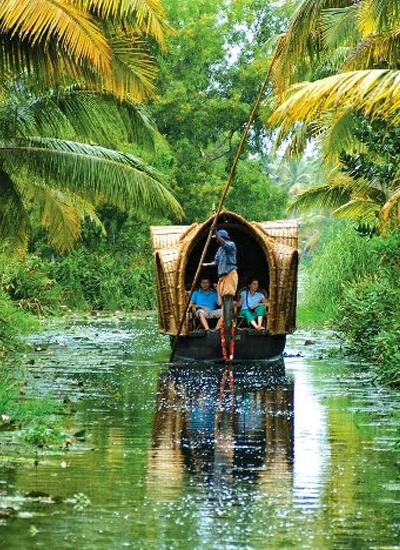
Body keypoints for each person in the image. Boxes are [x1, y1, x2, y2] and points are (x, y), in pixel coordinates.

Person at [202, 228, 238, 298]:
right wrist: (206, 264)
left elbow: (224, 244)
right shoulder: (220, 249)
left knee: (228, 295)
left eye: (217, 238)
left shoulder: (231, 244)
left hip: (229, 273)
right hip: (222, 275)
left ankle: (227, 309)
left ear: (221, 238)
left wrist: (216, 233)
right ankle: (224, 309)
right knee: (223, 296)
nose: (216, 240)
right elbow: (216, 261)